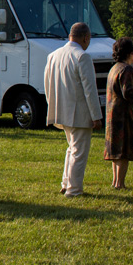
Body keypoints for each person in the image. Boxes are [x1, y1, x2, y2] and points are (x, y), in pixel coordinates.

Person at [44, 22, 103, 197]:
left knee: (71, 149)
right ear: (86, 37)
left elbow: (47, 85)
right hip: (79, 112)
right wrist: (96, 116)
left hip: (61, 109)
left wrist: (52, 105)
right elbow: (90, 89)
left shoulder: (53, 55)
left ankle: (66, 183)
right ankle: (74, 189)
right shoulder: (82, 56)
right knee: (78, 152)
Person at [102, 37, 133, 190]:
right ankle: (120, 183)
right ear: (130, 53)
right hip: (124, 116)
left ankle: (115, 181)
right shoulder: (127, 69)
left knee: (116, 150)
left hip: (112, 114)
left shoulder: (115, 68)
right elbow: (128, 93)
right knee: (123, 150)